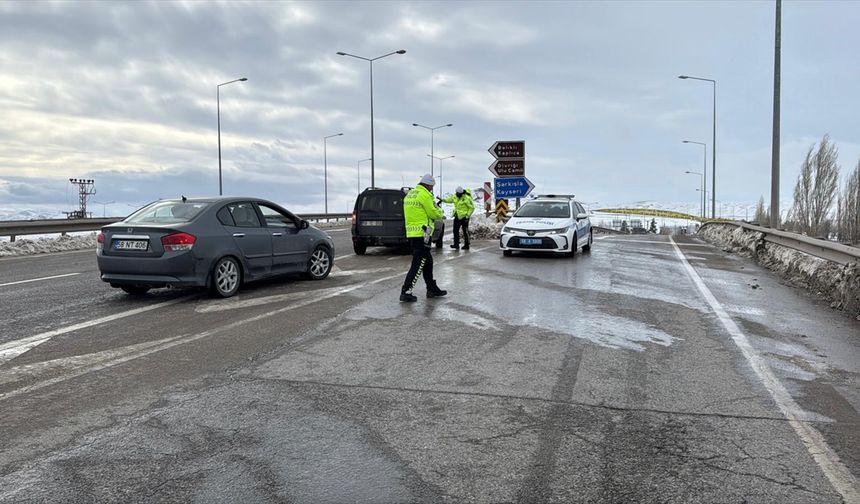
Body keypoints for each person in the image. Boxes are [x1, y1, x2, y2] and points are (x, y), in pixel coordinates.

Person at [400, 174, 447, 302]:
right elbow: (433, 213)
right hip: (423, 234)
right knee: (418, 264)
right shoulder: (425, 195)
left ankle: (431, 289)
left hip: (413, 233)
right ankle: (406, 291)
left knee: (428, 262)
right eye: (431, 187)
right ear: (428, 184)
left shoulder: (410, 194)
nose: (432, 189)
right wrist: (440, 211)